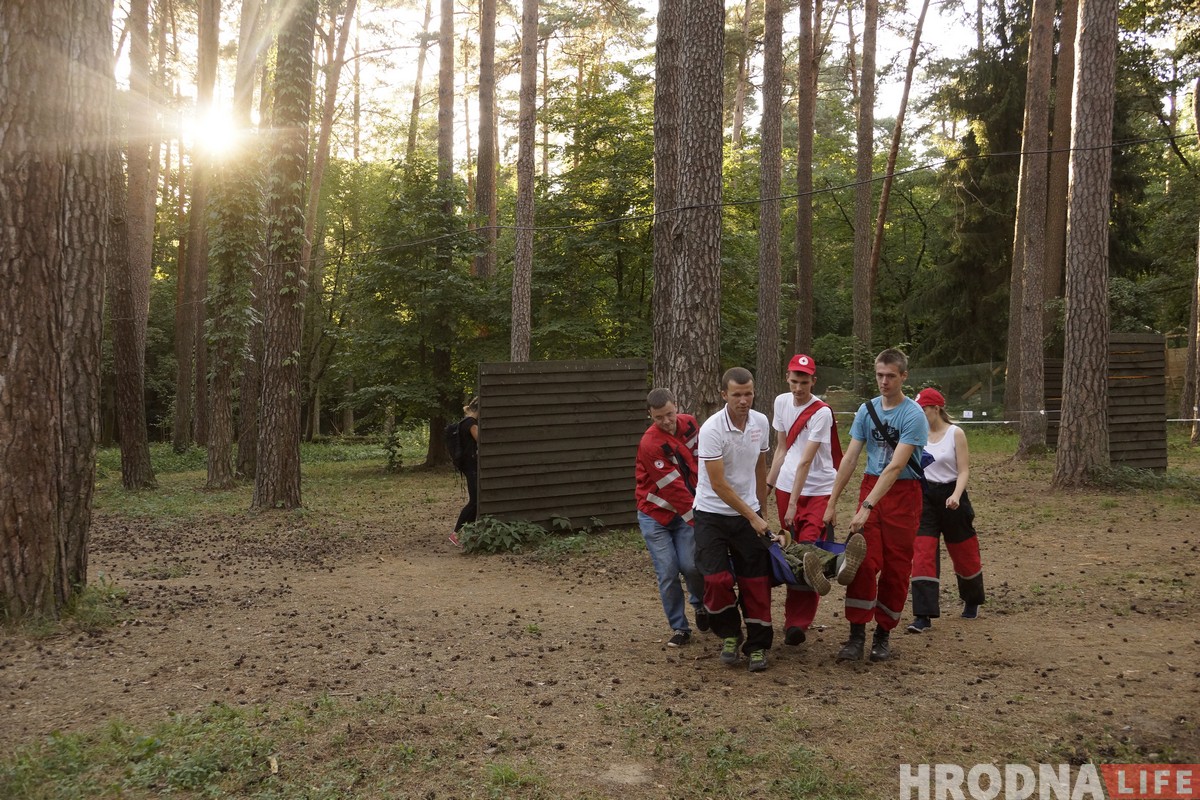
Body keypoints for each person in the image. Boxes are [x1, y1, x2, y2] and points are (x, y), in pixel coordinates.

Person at [824, 348, 929, 663]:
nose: (884, 381)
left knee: (897, 569)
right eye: (879, 375)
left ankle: (882, 635)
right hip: (871, 488)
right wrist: (832, 501)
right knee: (863, 563)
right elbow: (851, 458)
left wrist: (866, 506)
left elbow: (896, 466)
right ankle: (856, 634)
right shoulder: (866, 411)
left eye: (891, 376)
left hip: (903, 494)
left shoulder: (913, 415)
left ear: (903, 377)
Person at [765, 354, 867, 646]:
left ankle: (798, 621)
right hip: (786, 486)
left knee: (809, 549)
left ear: (814, 381)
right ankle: (837, 565)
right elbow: (782, 449)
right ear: (787, 378)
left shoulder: (821, 412)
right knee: (795, 552)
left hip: (818, 487)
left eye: (805, 382)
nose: (799, 388)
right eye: (795, 381)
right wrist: (769, 486)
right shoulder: (781, 402)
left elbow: (806, 461)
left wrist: (796, 503)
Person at [693, 367, 776, 673]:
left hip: (750, 513)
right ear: (724, 395)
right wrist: (752, 516)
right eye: (737, 395)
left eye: (748, 394)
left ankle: (758, 646)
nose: (744, 400)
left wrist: (762, 512)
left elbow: (760, 464)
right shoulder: (712, 429)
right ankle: (729, 633)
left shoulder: (760, 422)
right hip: (712, 513)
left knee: (756, 582)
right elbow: (718, 484)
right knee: (715, 580)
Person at [906, 388, 986, 632]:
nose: (919, 415)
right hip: (925, 498)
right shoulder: (916, 434)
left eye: (923, 410)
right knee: (922, 554)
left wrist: (956, 495)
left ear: (936, 409)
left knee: (964, 553)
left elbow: (963, 470)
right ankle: (923, 615)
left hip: (953, 495)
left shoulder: (955, 433)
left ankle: (972, 600)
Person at [635, 388, 708, 647]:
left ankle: (700, 605)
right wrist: (699, 521)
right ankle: (680, 627)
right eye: (659, 417)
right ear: (650, 416)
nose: (666, 421)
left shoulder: (689, 424)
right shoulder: (650, 444)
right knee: (667, 571)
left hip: (688, 510)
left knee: (691, 565)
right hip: (657, 515)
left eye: (669, 414)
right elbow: (673, 489)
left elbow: (701, 463)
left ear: (676, 407)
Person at [449, 397, 480, 548]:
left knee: (476, 500)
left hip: (468, 466)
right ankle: (456, 534)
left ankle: (468, 532)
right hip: (472, 467)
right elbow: (481, 440)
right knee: (474, 501)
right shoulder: (471, 424)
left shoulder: (464, 422)